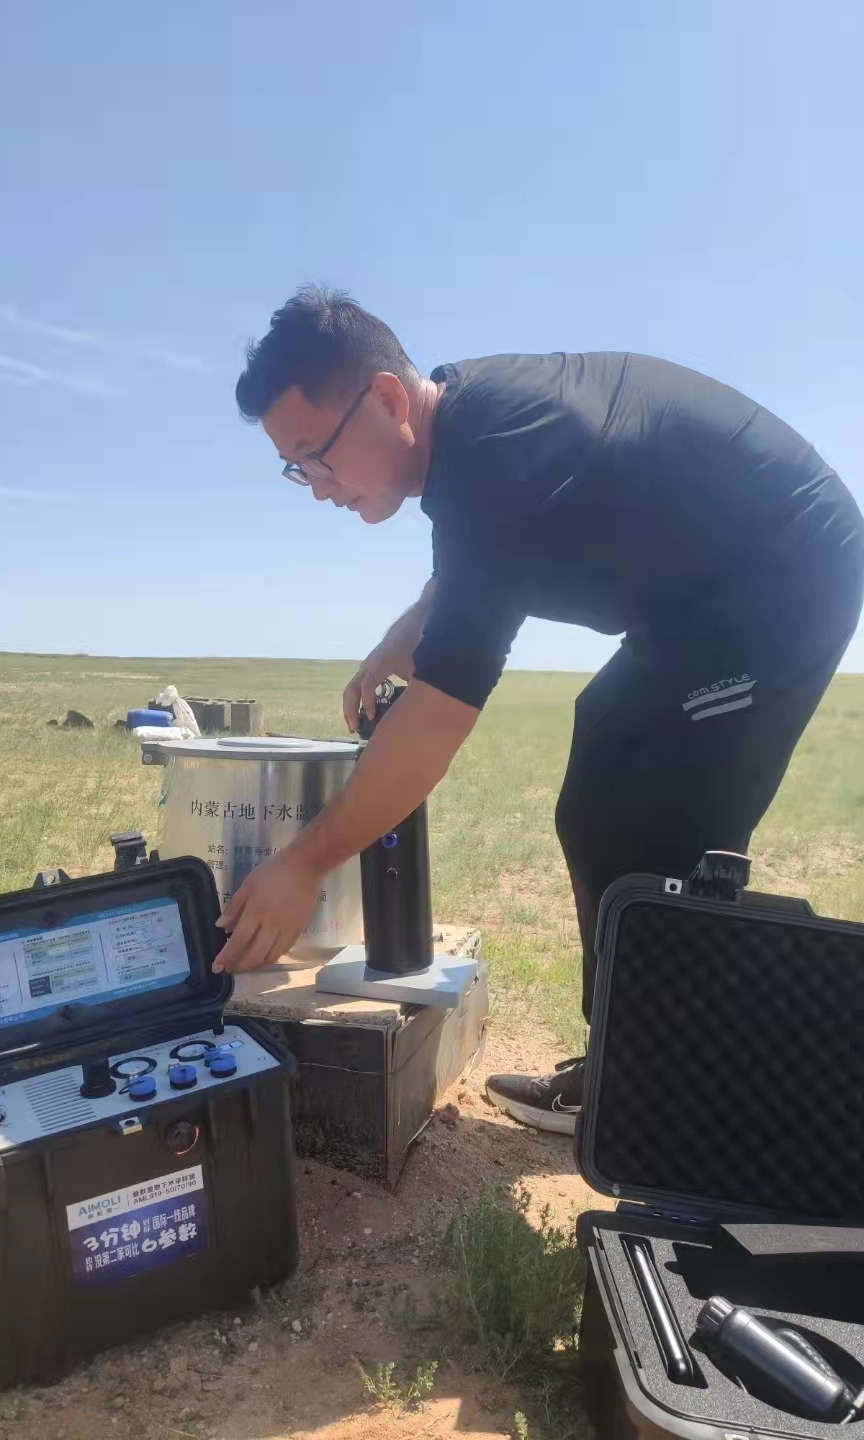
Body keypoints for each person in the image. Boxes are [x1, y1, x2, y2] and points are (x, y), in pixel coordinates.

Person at [214, 285, 864, 1136]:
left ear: (387, 399)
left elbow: (436, 722)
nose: (316, 488)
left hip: (782, 583)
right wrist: (407, 631)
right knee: (599, 791)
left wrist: (304, 863)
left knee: (665, 824)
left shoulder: (495, 451)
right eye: (296, 468)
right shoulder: (468, 426)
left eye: (318, 456)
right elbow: (472, 561)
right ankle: (630, 1069)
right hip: (695, 608)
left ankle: (681, 1104)